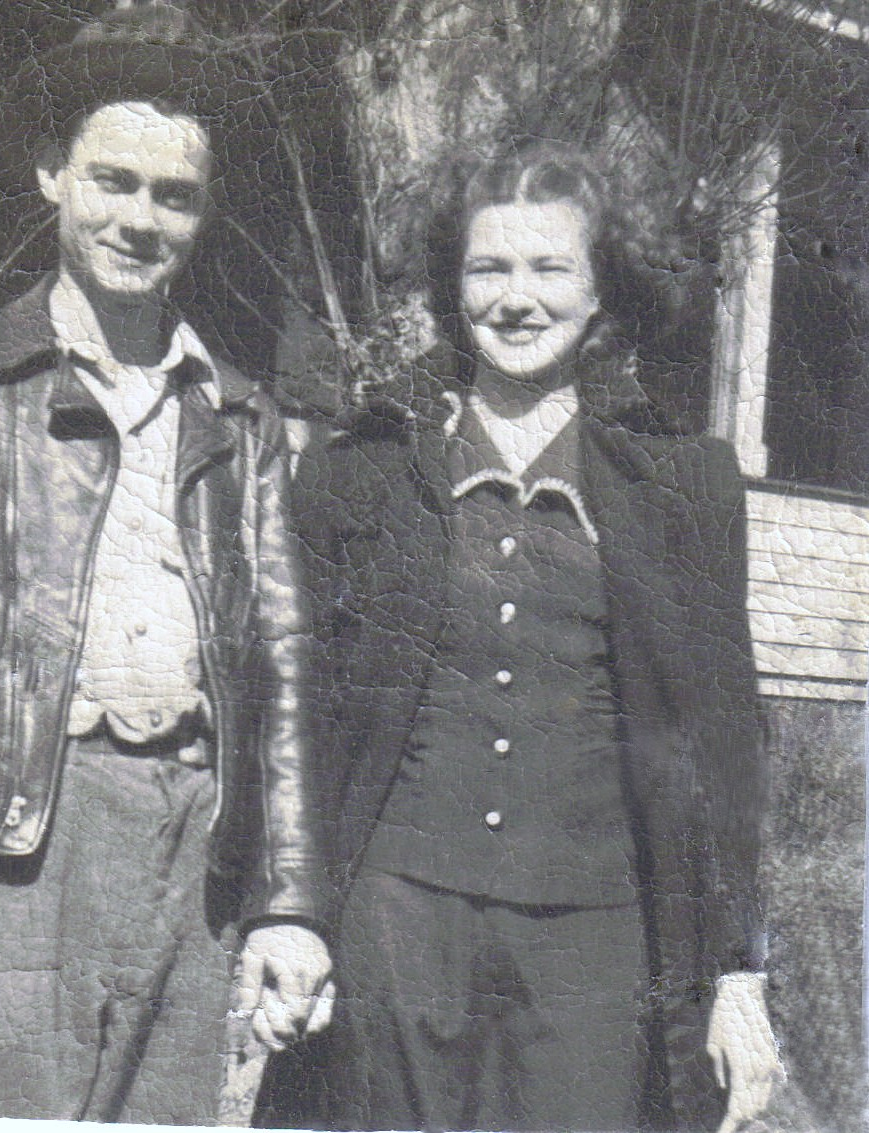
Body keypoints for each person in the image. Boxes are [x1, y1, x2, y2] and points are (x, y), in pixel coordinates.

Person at [0, 6, 333, 1121]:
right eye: (113, 180)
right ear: (55, 174)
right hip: (8, 844)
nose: (139, 219)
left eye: (174, 195)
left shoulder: (240, 417)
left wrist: (287, 902)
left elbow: (285, 672)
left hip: (191, 845)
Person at [261, 140, 782, 1131]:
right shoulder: (360, 468)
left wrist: (740, 973)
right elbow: (301, 705)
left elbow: (725, 743)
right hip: (398, 917)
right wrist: (289, 910)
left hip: (596, 935)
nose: (516, 297)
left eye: (550, 268)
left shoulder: (684, 482)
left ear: (600, 295)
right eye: (488, 267)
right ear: (455, 287)